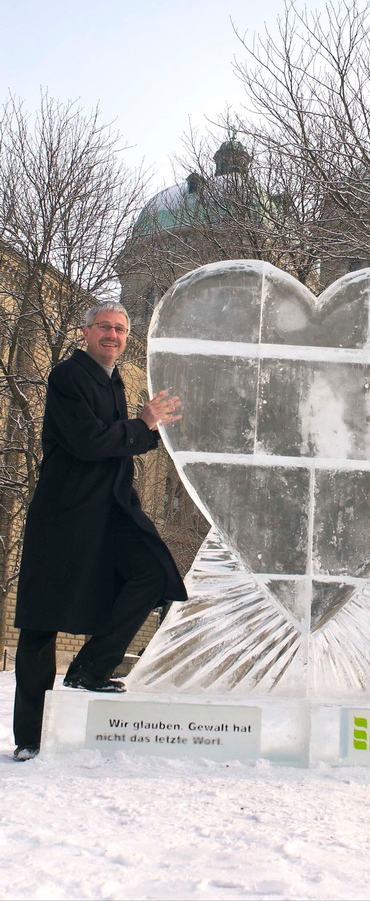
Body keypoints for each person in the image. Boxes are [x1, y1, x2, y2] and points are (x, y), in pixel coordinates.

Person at [12, 302, 188, 762]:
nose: (113, 335)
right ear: (86, 332)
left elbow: (117, 439)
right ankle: (30, 736)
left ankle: (90, 668)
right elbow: (90, 441)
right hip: (66, 514)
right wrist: (143, 425)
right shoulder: (69, 377)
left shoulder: (113, 380)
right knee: (40, 624)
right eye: (105, 328)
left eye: (121, 330)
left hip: (110, 509)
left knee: (153, 573)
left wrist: (146, 429)